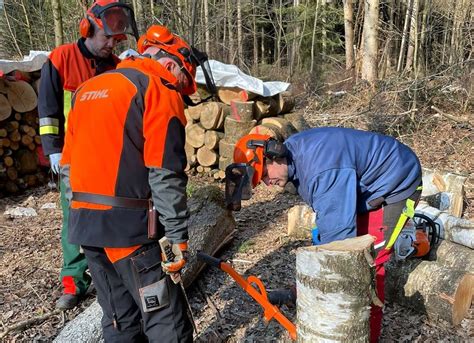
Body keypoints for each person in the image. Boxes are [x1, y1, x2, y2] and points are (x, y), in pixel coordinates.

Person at [59, 25, 198, 341]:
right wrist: (176, 235)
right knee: (166, 321)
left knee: (120, 319)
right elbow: (165, 171)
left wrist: (81, 216)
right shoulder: (157, 89)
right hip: (128, 232)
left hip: (85, 226)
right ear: (171, 64)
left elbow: (67, 168)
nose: (178, 87)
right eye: (181, 80)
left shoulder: (86, 90)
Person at [229, 127, 423, 342]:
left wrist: (329, 275)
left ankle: (368, 333)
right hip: (362, 186)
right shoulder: (295, 159)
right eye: (261, 181)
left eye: (265, 175)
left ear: (274, 155)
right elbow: (328, 216)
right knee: (326, 239)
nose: (268, 183)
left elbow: (340, 244)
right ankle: (308, 292)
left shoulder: (321, 170)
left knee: (367, 264)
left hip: (397, 185)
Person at [37, 0, 138, 310]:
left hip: (108, 158)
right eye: (106, 38)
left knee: (112, 215)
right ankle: (74, 281)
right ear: (88, 29)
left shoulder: (116, 65)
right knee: (75, 220)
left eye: (116, 40)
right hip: (71, 158)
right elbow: (48, 111)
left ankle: (114, 272)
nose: (111, 45)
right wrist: (53, 149)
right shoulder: (61, 59)